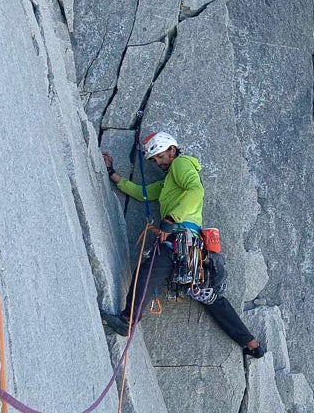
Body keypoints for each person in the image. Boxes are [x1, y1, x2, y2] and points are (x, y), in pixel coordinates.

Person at [100, 130, 265, 357]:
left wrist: (171, 218)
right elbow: (143, 193)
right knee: (207, 295)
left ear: (172, 150)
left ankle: (128, 320)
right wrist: (112, 174)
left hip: (178, 238)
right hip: (189, 247)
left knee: (147, 272)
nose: (157, 162)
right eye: (153, 159)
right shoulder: (169, 181)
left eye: (160, 155)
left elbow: (196, 191)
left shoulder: (181, 164)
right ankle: (250, 342)